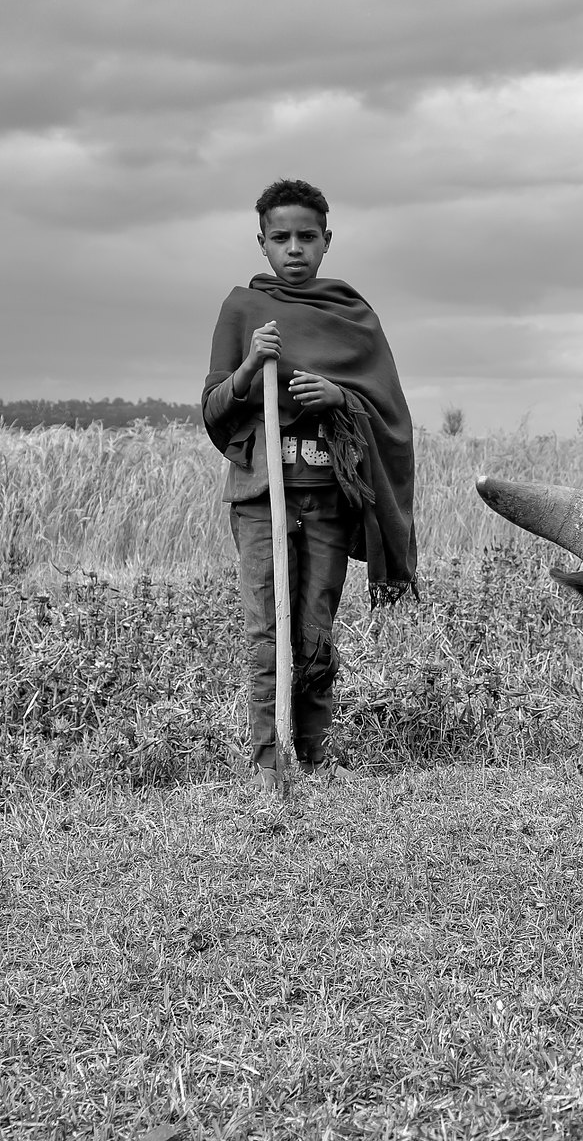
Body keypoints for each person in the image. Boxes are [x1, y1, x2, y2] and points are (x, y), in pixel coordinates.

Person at [202, 179, 417, 795]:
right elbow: (214, 409)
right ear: (262, 242)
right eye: (281, 237)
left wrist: (339, 396)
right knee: (267, 625)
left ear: (327, 240)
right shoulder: (242, 309)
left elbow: (388, 413)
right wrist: (249, 367)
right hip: (261, 493)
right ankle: (269, 760)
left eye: (306, 237)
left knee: (316, 624)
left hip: (326, 492)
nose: (294, 249)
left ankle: (315, 754)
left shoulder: (354, 316)